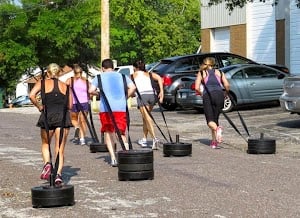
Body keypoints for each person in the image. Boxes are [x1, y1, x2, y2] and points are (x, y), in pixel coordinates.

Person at [29, 63, 73, 185]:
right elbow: (69, 105)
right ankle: (58, 175)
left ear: (47, 73)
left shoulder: (42, 83)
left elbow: (31, 95)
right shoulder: (66, 86)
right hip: (63, 118)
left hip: (47, 116)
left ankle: (47, 164)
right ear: (59, 73)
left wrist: (39, 106)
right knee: (60, 148)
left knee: (45, 143)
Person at [89, 59, 136, 167]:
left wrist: (99, 94)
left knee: (109, 132)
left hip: (106, 108)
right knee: (121, 132)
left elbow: (91, 90)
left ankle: (113, 158)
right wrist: (125, 97)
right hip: (120, 107)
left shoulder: (99, 77)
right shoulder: (122, 76)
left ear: (102, 68)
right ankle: (125, 155)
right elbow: (133, 87)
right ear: (113, 67)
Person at [195, 57, 230, 149]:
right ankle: (214, 141)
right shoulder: (220, 72)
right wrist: (225, 93)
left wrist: (201, 94)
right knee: (215, 119)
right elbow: (227, 85)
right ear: (213, 64)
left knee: (209, 121)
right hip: (219, 95)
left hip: (208, 96)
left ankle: (218, 129)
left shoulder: (202, 73)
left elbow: (196, 87)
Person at [132, 60, 164, 150]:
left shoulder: (132, 76)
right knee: (145, 118)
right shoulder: (148, 74)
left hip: (143, 96)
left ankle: (154, 138)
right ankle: (144, 139)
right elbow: (159, 79)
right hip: (152, 95)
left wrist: (130, 95)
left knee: (147, 118)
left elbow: (130, 88)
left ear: (135, 68)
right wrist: (161, 91)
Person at [66, 64, 90, 146]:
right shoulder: (86, 81)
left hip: (74, 102)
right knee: (83, 121)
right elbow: (90, 91)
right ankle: (82, 139)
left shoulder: (70, 80)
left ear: (73, 72)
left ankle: (76, 127)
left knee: (73, 119)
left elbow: (64, 89)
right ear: (82, 72)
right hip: (84, 102)